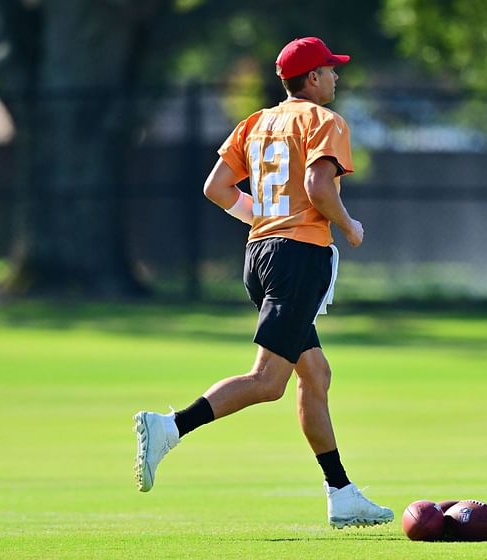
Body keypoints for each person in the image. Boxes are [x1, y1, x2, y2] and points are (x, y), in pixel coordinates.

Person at [133, 36, 393, 529]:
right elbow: (319, 187)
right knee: (268, 382)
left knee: (315, 375)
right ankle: (170, 426)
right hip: (298, 258)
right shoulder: (324, 121)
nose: (337, 77)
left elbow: (216, 188)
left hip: (260, 254)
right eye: (330, 70)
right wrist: (350, 226)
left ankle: (340, 492)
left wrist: (263, 218)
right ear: (311, 78)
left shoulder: (256, 121)